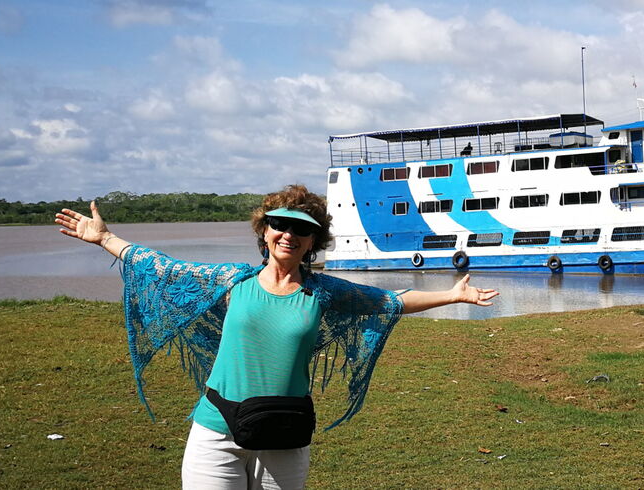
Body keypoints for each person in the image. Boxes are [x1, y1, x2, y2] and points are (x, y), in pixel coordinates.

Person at [54, 185, 499, 489]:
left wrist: (452, 295)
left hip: (285, 432)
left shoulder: (324, 292)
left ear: (313, 241)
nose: (289, 234)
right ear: (264, 231)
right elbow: (162, 268)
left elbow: (388, 301)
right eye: (280, 224)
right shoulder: (231, 280)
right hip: (217, 429)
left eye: (302, 229)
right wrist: (106, 239)